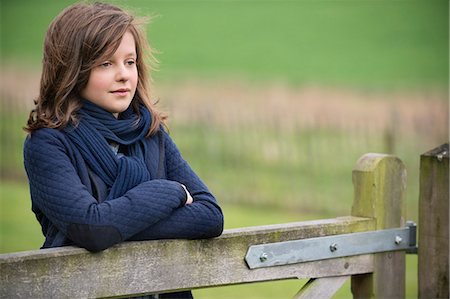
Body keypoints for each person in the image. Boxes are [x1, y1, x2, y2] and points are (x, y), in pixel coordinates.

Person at [23, 2, 223, 298]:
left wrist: (115, 224)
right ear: (72, 69)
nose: (124, 75)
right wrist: (173, 193)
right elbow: (92, 228)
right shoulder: (48, 144)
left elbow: (210, 216)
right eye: (106, 63)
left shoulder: (150, 133)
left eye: (130, 62)